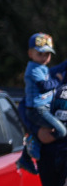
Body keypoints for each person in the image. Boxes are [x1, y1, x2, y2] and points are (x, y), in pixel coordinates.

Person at [17, 32, 67, 175]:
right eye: (41, 54)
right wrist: (37, 131)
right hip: (51, 155)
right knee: (61, 130)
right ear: (31, 54)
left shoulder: (43, 68)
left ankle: (28, 152)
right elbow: (24, 105)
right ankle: (29, 150)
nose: (45, 57)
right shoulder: (39, 69)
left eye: (47, 54)